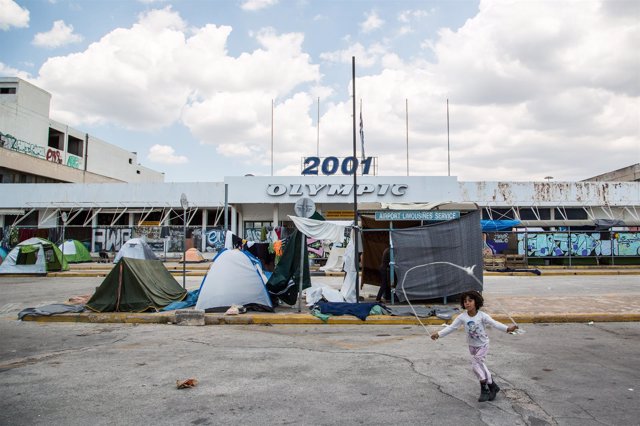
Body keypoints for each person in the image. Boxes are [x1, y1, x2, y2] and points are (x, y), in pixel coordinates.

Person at [431, 290, 517, 402]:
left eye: (470, 300)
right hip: (472, 346)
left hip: (483, 345)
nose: (467, 303)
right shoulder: (462, 317)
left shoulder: (482, 316)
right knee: (481, 365)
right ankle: (492, 386)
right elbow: (451, 327)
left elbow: (494, 323)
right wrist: (438, 334)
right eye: (465, 301)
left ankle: (484, 386)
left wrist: (507, 329)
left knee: (475, 364)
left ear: (476, 302)